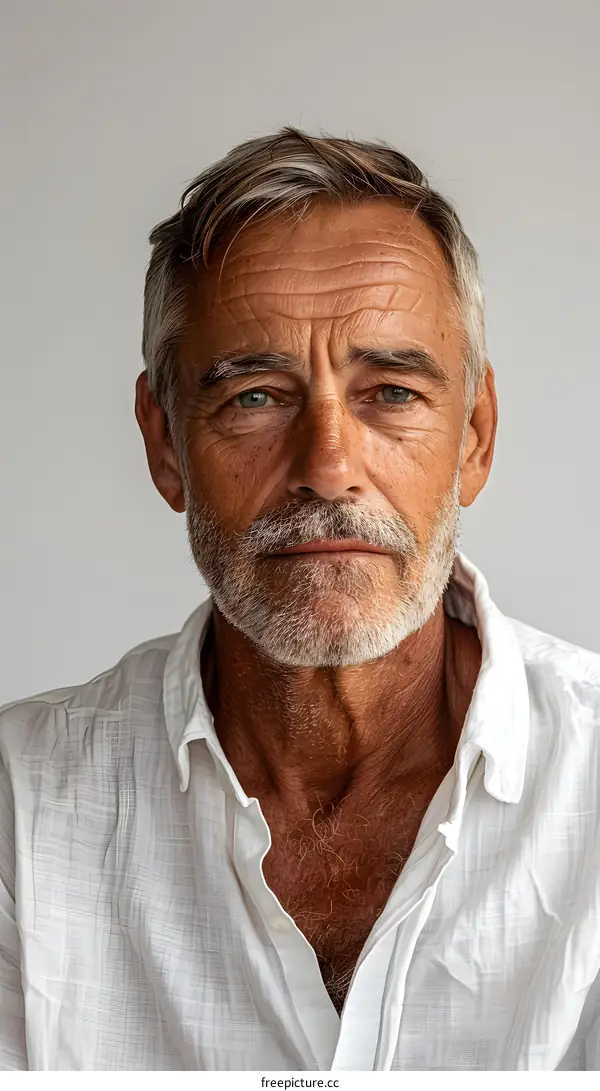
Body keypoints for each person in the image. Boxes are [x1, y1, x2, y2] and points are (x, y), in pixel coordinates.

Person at [1, 127, 599, 1073]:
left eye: (392, 392)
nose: (327, 469)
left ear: (475, 438)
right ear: (165, 445)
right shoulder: (19, 818)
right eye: (254, 397)